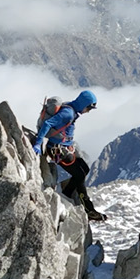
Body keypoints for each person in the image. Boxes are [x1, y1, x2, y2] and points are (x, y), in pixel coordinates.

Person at [32, 89, 106, 221]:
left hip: (64, 147)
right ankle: (89, 209)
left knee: (84, 168)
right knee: (79, 174)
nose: (88, 111)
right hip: (58, 150)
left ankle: (66, 193)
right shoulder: (68, 113)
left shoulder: (71, 107)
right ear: (84, 105)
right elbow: (48, 124)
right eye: (88, 108)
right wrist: (38, 143)